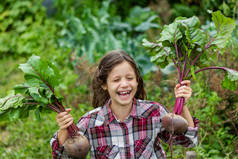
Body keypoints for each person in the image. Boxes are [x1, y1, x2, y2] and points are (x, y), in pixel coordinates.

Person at [50, 50, 199, 159]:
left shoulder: (153, 112)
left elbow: (189, 141)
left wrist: (183, 104)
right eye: (116, 80)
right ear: (104, 85)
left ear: (137, 81)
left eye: (129, 78)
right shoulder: (91, 123)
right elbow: (61, 156)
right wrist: (64, 129)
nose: (124, 84)